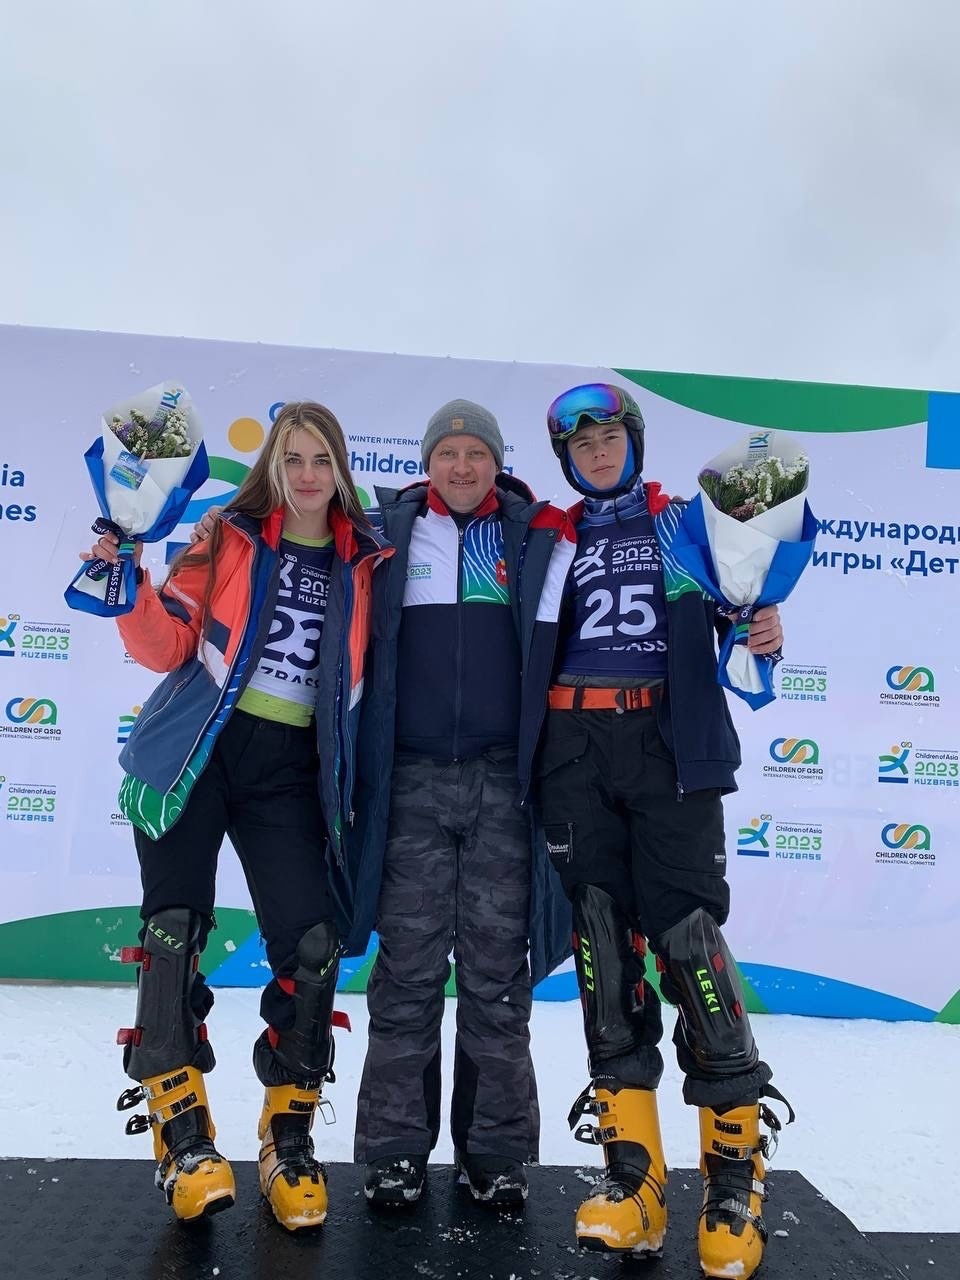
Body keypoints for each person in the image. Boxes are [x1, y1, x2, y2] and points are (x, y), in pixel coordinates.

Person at [81, 401, 390, 1230]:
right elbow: (166, 646)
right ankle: (183, 1139)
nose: (307, 475)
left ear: (341, 468)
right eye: (292, 458)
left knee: (313, 945)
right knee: (172, 931)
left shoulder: (367, 559)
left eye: (321, 459)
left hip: (289, 772)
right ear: (272, 467)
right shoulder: (227, 535)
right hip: (200, 749)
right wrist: (128, 583)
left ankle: (288, 1138)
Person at [535, 382, 793, 1279]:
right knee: (600, 941)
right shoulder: (551, 536)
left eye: (610, 436)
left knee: (687, 938)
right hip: (573, 748)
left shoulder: (688, 520)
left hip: (665, 741)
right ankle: (632, 1176)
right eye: (582, 444)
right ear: (567, 460)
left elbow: (739, 614)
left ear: (634, 441)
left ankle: (734, 1174)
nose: (598, 451)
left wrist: (761, 627)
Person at [347, 399, 575, 1208]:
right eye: (448, 453)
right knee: (406, 975)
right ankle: (394, 1151)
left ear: (498, 461)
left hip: (502, 784)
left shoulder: (535, 538)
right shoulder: (387, 534)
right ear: (428, 463)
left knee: (495, 979)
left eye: (477, 452)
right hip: (410, 779)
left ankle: (495, 1152)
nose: (463, 466)